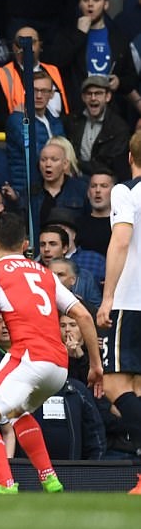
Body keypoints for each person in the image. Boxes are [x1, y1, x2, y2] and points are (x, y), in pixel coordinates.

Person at [0, 212, 103, 493]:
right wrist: (95, 365)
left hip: (28, 358)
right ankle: (49, 479)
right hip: (58, 366)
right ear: (25, 244)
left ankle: (5, 485)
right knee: (16, 413)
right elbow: (84, 316)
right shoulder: (45, 273)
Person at [97, 131, 141, 461]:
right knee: (138, 388)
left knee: (113, 386)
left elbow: (122, 240)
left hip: (131, 300)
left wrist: (108, 296)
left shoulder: (125, 191)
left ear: (130, 157)